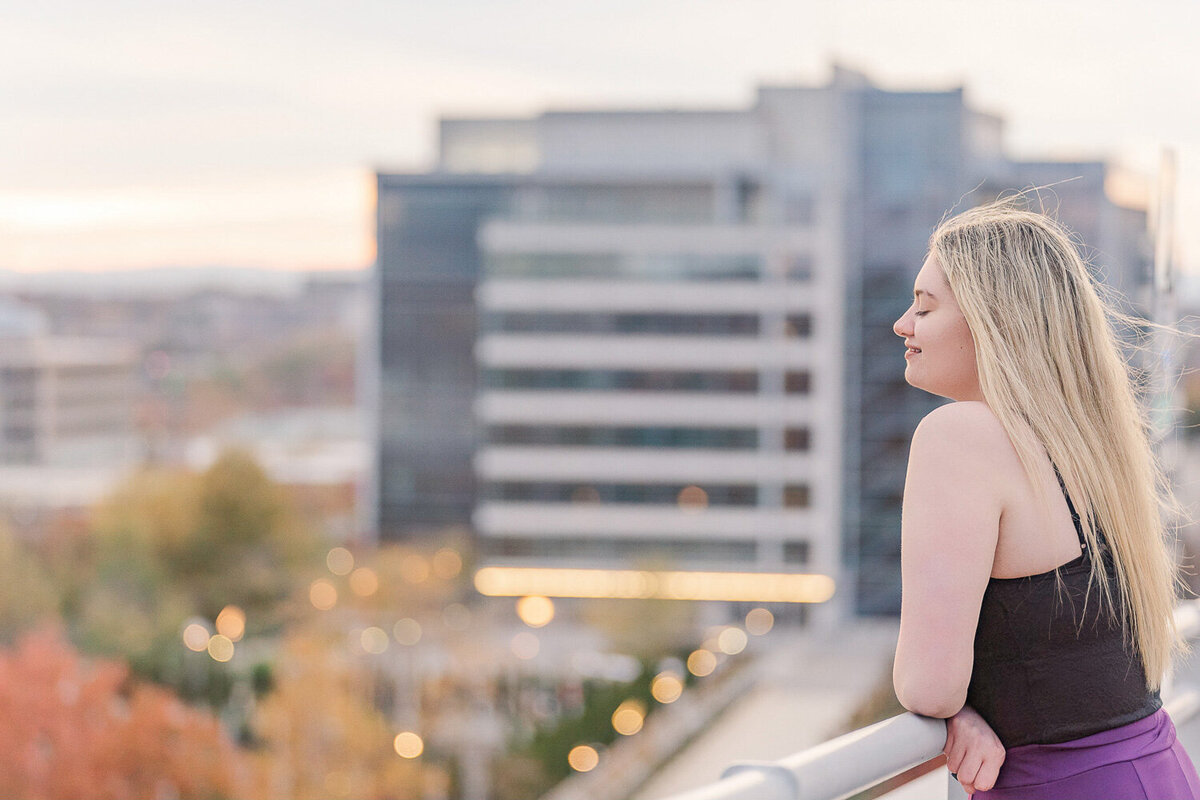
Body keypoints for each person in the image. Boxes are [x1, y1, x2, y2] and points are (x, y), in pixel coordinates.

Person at [890, 197, 1200, 799]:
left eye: (925, 307)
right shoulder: (1089, 447)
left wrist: (953, 710)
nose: (903, 324)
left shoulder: (959, 436)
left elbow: (928, 686)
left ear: (994, 322)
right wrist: (968, 709)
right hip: (1155, 768)